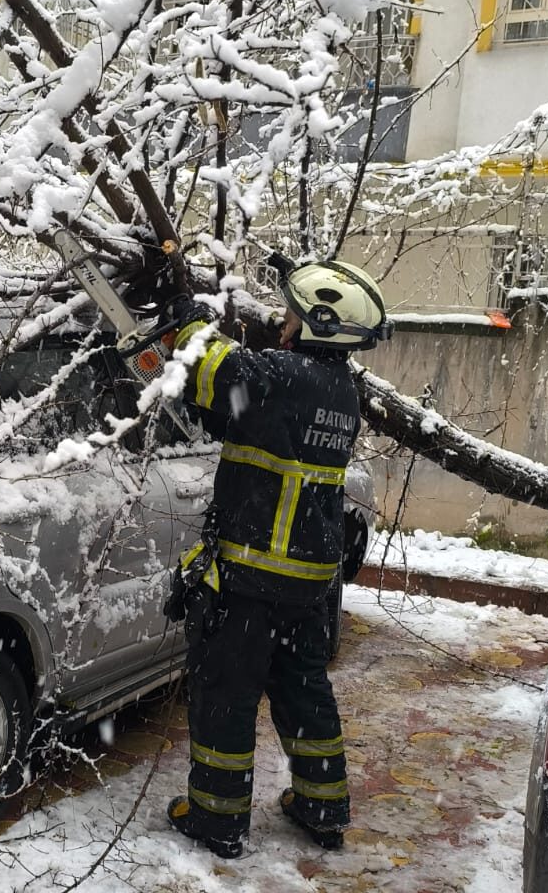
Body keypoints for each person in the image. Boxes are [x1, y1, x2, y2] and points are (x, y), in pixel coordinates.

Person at [164, 259, 392, 859]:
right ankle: (323, 807)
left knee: (225, 696)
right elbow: (244, 412)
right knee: (303, 692)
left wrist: (189, 320)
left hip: (251, 580)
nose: (284, 322)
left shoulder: (284, 377)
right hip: (310, 585)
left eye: (293, 313)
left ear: (319, 323)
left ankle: (217, 818)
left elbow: (212, 369)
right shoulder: (343, 390)